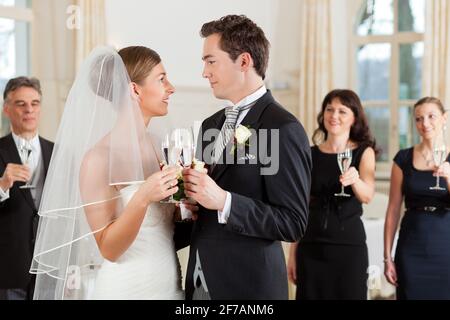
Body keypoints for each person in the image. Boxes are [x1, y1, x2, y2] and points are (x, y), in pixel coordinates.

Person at [30, 46, 192, 299]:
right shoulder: (97, 159)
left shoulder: (162, 148)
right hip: (125, 288)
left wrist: (188, 211)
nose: (171, 88)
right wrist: (142, 197)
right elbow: (109, 249)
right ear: (135, 90)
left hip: (170, 285)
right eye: (161, 79)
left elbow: (166, 229)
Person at [182, 15, 312, 300]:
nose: (204, 72)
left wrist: (223, 201)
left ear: (243, 61)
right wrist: (192, 203)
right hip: (199, 281)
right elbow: (207, 202)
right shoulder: (210, 125)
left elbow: (293, 222)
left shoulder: (283, 127)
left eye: (210, 61)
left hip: (249, 286)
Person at [287, 89, 377, 300]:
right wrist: (293, 254)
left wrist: (355, 180)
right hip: (311, 247)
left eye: (342, 111)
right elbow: (302, 206)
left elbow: (367, 196)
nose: (334, 116)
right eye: (329, 109)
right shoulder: (309, 154)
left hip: (348, 248)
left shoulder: (364, 152)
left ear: (354, 117)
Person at [384, 97, 450, 300]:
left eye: (432, 117)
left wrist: (449, 178)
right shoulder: (403, 158)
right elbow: (393, 209)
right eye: (419, 119)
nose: (425, 124)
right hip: (411, 245)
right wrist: (387, 257)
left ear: (445, 119)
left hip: (446, 246)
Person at [0, 77, 54, 300]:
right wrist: (2, 184)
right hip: (8, 268)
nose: (29, 109)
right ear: (6, 109)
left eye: (35, 103)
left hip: (49, 268)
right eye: (21, 103)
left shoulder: (57, 152)